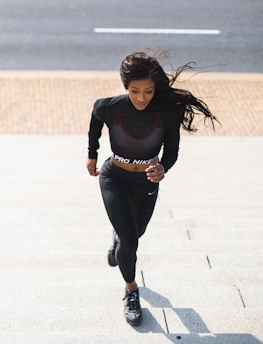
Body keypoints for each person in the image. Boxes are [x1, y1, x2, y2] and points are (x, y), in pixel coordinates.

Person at [86, 50, 218, 326]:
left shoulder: (167, 113)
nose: (141, 97)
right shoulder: (110, 106)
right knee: (131, 241)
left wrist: (163, 168)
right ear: (126, 87)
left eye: (148, 91)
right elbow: (95, 120)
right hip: (114, 177)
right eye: (135, 91)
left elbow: (171, 151)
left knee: (136, 233)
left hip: (146, 182)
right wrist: (92, 154)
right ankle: (131, 290)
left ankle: (119, 238)